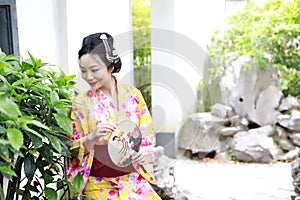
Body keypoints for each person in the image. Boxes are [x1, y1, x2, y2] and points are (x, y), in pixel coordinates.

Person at [66, 32, 161, 200]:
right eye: (83, 71)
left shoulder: (133, 95)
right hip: (99, 183)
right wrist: (91, 138)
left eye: (94, 70)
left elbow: (146, 137)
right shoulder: (80, 104)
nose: (88, 77)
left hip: (132, 180)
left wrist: (145, 152)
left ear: (110, 67)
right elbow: (72, 149)